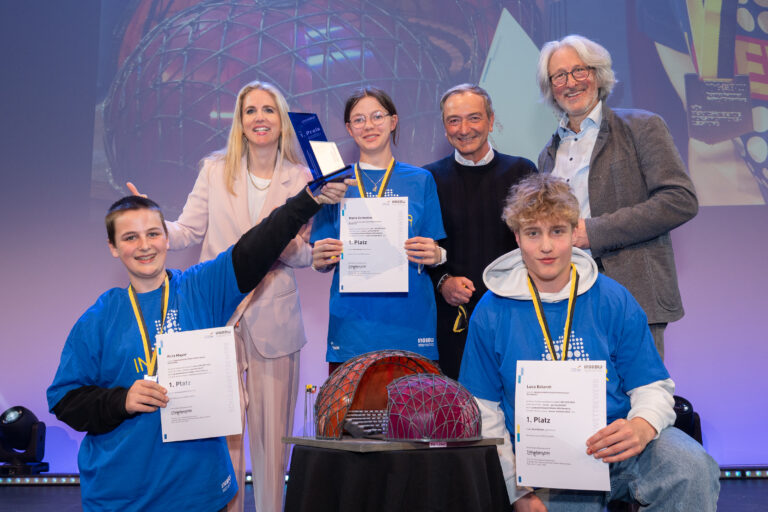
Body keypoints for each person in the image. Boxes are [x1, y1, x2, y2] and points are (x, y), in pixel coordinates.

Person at [46, 182, 348, 512]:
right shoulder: (99, 318)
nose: (144, 245)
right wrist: (122, 400)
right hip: (123, 495)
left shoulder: (200, 288)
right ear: (113, 247)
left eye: (153, 233)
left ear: (166, 237)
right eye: (130, 237)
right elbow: (65, 399)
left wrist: (307, 200)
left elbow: (256, 245)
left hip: (199, 492)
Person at [459, 174, 719, 511]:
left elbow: (652, 385)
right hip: (545, 464)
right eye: (533, 233)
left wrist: (642, 426)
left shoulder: (613, 298)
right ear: (517, 238)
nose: (547, 246)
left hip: (621, 447)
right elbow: (484, 411)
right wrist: (517, 490)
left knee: (691, 468)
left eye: (557, 231)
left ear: (574, 232)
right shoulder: (491, 311)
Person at [129, 80, 313, 512]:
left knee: (272, 439)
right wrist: (151, 222)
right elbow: (188, 231)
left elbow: (304, 256)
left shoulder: (301, 177)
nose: (260, 118)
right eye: (251, 111)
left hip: (276, 319)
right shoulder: (214, 169)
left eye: (269, 109)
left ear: (281, 118)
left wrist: (278, 239)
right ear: (240, 121)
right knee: (222, 432)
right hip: (218, 317)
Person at [536, 34, 698, 359]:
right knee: (581, 402)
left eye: (579, 70)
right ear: (551, 87)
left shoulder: (642, 127)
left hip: (635, 293)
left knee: (639, 400)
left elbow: (680, 199)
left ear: (597, 75)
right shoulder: (547, 154)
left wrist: (592, 232)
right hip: (569, 297)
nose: (571, 82)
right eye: (559, 76)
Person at [311, 87, 446, 371]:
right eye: (358, 120)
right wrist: (320, 259)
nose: (368, 125)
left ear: (393, 121)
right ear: (349, 128)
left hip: (410, 325)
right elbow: (321, 257)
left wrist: (437, 255)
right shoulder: (334, 184)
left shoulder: (421, 180)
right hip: (352, 329)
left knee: (413, 416)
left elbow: (436, 249)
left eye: (377, 116)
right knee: (350, 417)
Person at [424, 84, 536, 379]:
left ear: (491, 120)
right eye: (453, 120)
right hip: (452, 322)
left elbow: (537, 244)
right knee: (458, 416)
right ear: (444, 126)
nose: (464, 129)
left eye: (474, 118)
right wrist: (443, 281)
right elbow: (419, 247)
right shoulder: (428, 179)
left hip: (515, 315)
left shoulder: (523, 173)